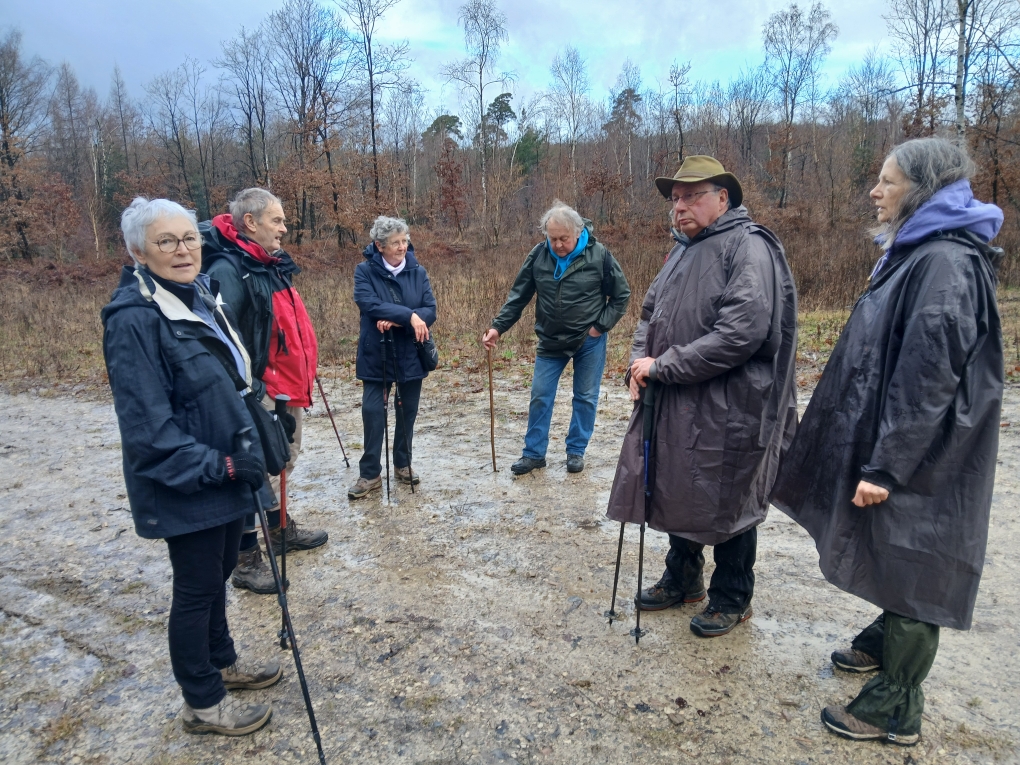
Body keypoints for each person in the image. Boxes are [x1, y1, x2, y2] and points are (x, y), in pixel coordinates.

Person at [772, 137, 1004, 746]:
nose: (874, 192)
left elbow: (928, 377)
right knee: (893, 544)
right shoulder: (919, 251)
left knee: (918, 556)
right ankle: (886, 635)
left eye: (887, 181)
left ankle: (896, 706)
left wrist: (888, 466)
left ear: (921, 192)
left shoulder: (944, 265)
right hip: (904, 443)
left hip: (923, 454)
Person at [102, 197, 282, 735]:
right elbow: (148, 433)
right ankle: (202, 703)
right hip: (191, 478)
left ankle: (222, 662)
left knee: (221, 571)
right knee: (197, 587)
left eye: (189, 238)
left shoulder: (197, 296)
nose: (183, 250)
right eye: (166, 241)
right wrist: (224, 466)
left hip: (227, 467)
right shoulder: (134, 319)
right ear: (138, 250)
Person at [606, 156, 798, 638]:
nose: (681, 206)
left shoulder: (748, 246)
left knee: (727, 496)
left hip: (730, 405)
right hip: (676, 397)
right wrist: (638, 365)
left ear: (723, 199)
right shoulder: (682, 252)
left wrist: (663, 366)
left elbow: (742, 333)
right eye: (676, 199)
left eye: (693, 196)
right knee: (674, 483)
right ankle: (683, 578)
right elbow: (649, 316)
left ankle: (732, 597)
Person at [201, 188, 328, 595]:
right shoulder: (229, 269)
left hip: (288, 387)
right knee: (255, 471)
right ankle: (245, 558)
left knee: (283, 461)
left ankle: (280, 530)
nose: (284, 228)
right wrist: (253, 390)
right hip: (262, 393)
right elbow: (221, 339)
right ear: (251, 222)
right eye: (277, 220)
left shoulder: (267, 264)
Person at [482, 201, 631, 475]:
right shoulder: (539, 255)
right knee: (540, 395)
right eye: (553, 238)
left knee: (585, 397)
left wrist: (599, 327)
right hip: (550, 340)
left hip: (588, 341)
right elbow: (519, 296)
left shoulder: (599, 255)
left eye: (564, 238)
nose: (559, 244)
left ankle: (576, 451)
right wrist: (498, 327)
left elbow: (621, 296)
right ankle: (534, 454)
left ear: (578, 232)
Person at [348, 216, 437, 499]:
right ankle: (370, 473)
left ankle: (403, 463)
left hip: (411, 352)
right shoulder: (364, 271)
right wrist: (409, 315)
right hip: (378, 353)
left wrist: (400, 320)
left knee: (407, 411)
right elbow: (369, 304)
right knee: (373, 411)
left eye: (405, 241)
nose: (402, 247)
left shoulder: (417, 271)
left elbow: (430, 310)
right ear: (380, 246)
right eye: (396, 243)